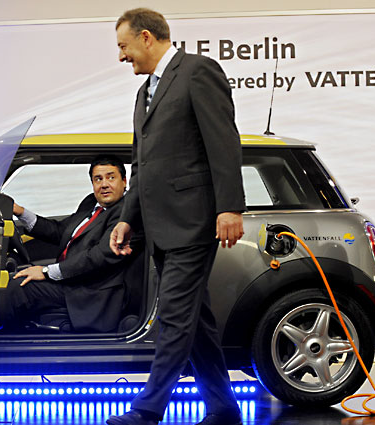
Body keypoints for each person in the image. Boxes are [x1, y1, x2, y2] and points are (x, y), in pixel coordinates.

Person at [107, 8, 246, 425]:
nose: (121, 56)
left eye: (124, 47)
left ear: (146, 38)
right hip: (161, 227)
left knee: (172, 315)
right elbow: (141, 166)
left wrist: (229, 206)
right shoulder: (144, 92)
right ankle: (224, 408)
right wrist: (127, 218)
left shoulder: (198, 72)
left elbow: (224, 143)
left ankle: (148, 409)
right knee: (194, 321)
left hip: (193, 222)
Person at [0, 155, 143, 333]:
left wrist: (46, 272)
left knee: (18, 289)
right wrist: (19, 211)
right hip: (72, 280)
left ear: (124, 181)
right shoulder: (91, 203)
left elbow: (99, 257)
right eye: (98, 179)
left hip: (93, 291)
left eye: (111, 177)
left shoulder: (127, 214)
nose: (104, 184)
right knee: (14, 278)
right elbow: (60, 231)